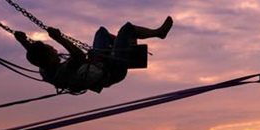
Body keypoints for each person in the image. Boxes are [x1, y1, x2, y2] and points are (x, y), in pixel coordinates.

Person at [14, 17, 173, 93]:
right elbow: (78, 56)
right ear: (49, 58)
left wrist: (23, 41)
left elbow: (36, 55)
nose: (55, 50)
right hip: (112, 71)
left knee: (101, 32)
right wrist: (59, 38)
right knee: (127, 29)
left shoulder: (44, 69)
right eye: (52, 50)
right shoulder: (62, 72)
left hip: (100, 62)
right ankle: (158, 34)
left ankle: (124, 47)